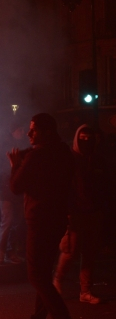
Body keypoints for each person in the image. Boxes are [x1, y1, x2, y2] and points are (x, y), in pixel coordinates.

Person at [8, 113, 81, 319]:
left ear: (47, 132)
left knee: (36, 276)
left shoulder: (35, 157)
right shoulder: (64, 153)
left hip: (39, 220)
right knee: (44, 274)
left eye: (34, 130)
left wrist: (15, 166)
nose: (29, 134)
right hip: (57, 220)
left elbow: (15, 187)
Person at [53, 124, 107, 304]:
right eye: (82, 138)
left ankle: (85, 290)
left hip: (93, 212)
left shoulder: (96, 159)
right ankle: (57, 281)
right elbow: (63, 187)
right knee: (71, 250)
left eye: (88, 138)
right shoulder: (70, 159)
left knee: (89, 253)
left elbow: (104, 186)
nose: (86, 141)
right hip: (75, 212)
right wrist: (66, 211)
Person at [0, 120, 27, 264]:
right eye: (20, 130)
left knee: (16, 223)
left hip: (18, 191)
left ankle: (9, 252)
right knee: (7, 222)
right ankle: (1, 252)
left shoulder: (24, 146)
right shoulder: (3, 147)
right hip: (6, 191)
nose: (22, 133)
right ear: (13, 131)